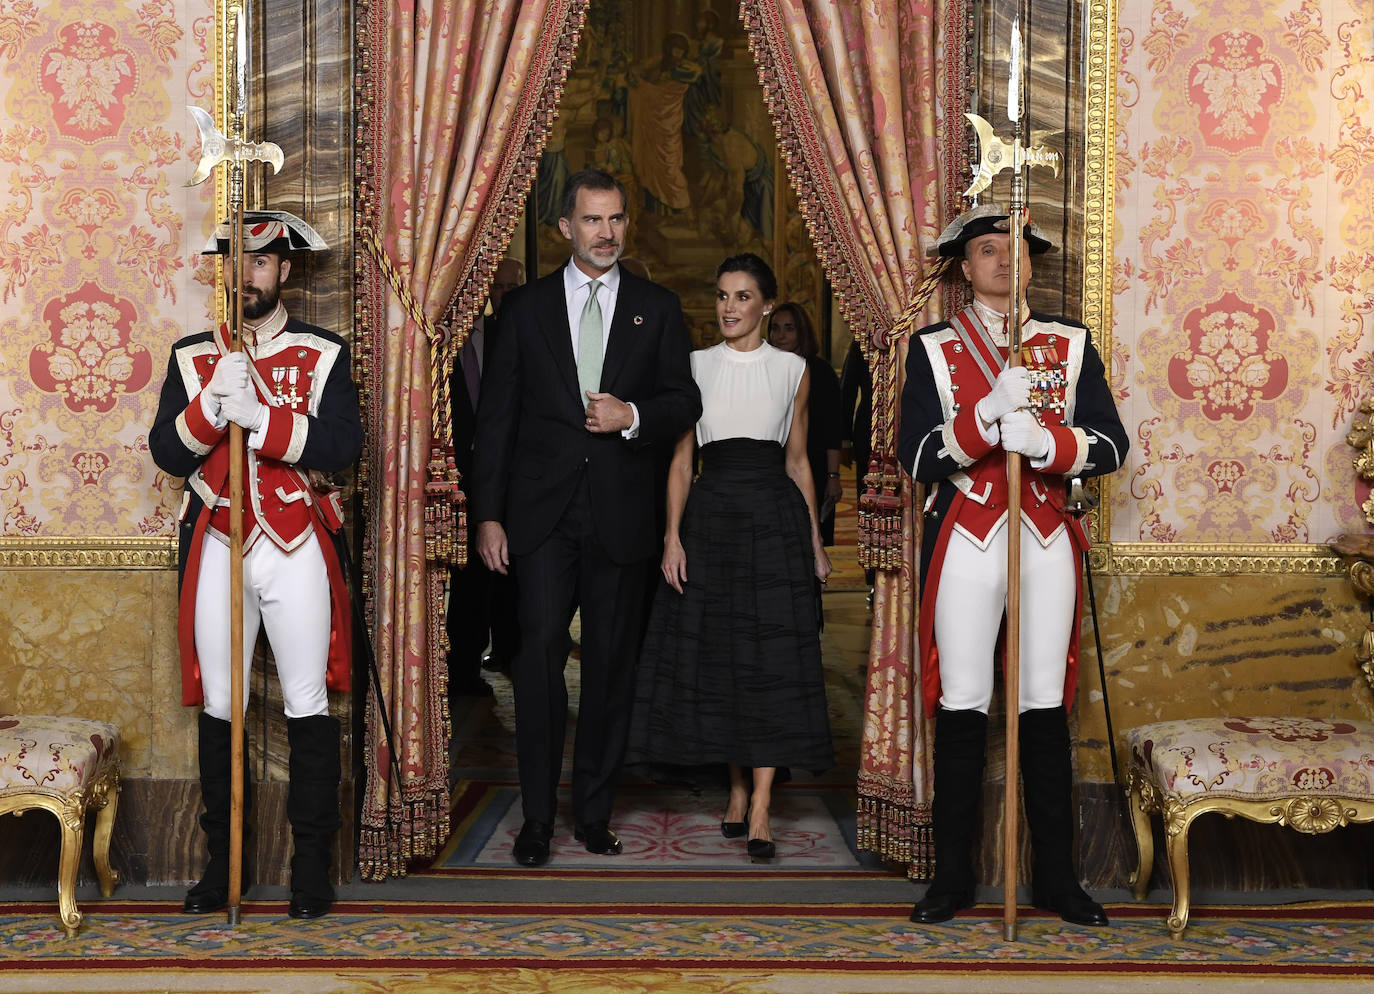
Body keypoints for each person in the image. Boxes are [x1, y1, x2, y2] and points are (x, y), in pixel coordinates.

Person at [897, 204, 1128, 926]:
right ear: (964, 268)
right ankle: (952, 878)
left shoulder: (1068, 342)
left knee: (1042, 708)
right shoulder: (933, 347)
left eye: (1015, 249)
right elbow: (916, 456)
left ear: (1031, 262)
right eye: (988, 250)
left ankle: (1060, 881)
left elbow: (1111, 445)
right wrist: (984, 421)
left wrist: (1048, 443)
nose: (1003, 261)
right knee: (963, 704)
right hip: (967, 535)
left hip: (1047, 537)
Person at [470, 169, 701, 867]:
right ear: (566, 227)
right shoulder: (526, 310)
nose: (607, 234)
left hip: (623, 518)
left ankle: (594, 813)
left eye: (617, 220)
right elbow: (496, 422)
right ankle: (537, 818)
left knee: (610, 670)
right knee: (536, 661)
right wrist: (488, 517)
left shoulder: (656, 308)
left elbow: (684, 402)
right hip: (539, 519)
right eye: (594, 221)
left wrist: (632, 415)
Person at [149, 210, 363, 920]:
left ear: (285, 271)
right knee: (220, 706)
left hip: (296, 542)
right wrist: (213, 406)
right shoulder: (190, 355)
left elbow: (341, 447)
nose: (248, 276)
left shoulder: (325, 351)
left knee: (308, 703)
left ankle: (310, 870)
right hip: (218, 540)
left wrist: (263, 420)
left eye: (262, 263)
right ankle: (222, 867)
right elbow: (170, 455)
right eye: (237, 262)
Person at [628, 253, 834, 863]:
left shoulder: (794, 369)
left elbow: (798, 461)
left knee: (770, 658)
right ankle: (738, 787)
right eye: (722, 296)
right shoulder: (693, 366)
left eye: (743, 297)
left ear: (766, 305)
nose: (729, 308)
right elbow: (681, 461)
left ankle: (763, 804)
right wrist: (672, 537)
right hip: (710, 518)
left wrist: (817, 543)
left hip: (774, 521)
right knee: (724, 657)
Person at [447, 257, 524, 693]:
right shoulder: (432, 345)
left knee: (490, 573)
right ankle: (455, 670)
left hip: (500, 476)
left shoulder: (501, 338)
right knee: (458, 575)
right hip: (447, 476)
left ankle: (481, 662)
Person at [768, 303, 842, 547]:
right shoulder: (763, 368)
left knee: (810, 540)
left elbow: (833, 430)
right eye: (775, 328)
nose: (780, 335)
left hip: (813, 464)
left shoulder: (820, 372)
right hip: (770, 465)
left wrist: (833, 476)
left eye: (789, 328)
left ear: (802, 331)